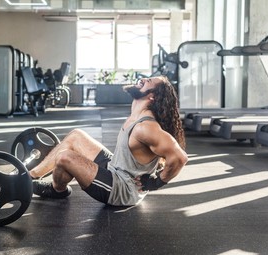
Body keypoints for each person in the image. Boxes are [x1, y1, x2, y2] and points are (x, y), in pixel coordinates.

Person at [29, 76, 188, 206]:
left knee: (65, 157)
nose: (143, 79)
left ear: (152, 96)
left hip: (122, 190)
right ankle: (30, 176)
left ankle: (56, 190)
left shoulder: (146, 127)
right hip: (115, 169)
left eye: (148, 81)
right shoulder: (137, 114)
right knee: (76, 136)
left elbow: (180, 157)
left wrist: (156, 182)